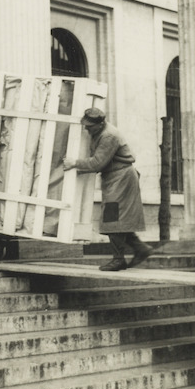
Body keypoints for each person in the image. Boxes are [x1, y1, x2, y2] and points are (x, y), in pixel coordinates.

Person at [63, 108, 154, 271]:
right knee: (118, 219)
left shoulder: (108, 136)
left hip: (121, 178)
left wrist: (75, 163)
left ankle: (119, 259)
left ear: (100, 124)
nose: (87, 129)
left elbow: (98, 163)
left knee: (112, 217)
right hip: (116, 177)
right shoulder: (101, 132)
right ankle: (140, 248)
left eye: (90, 126)